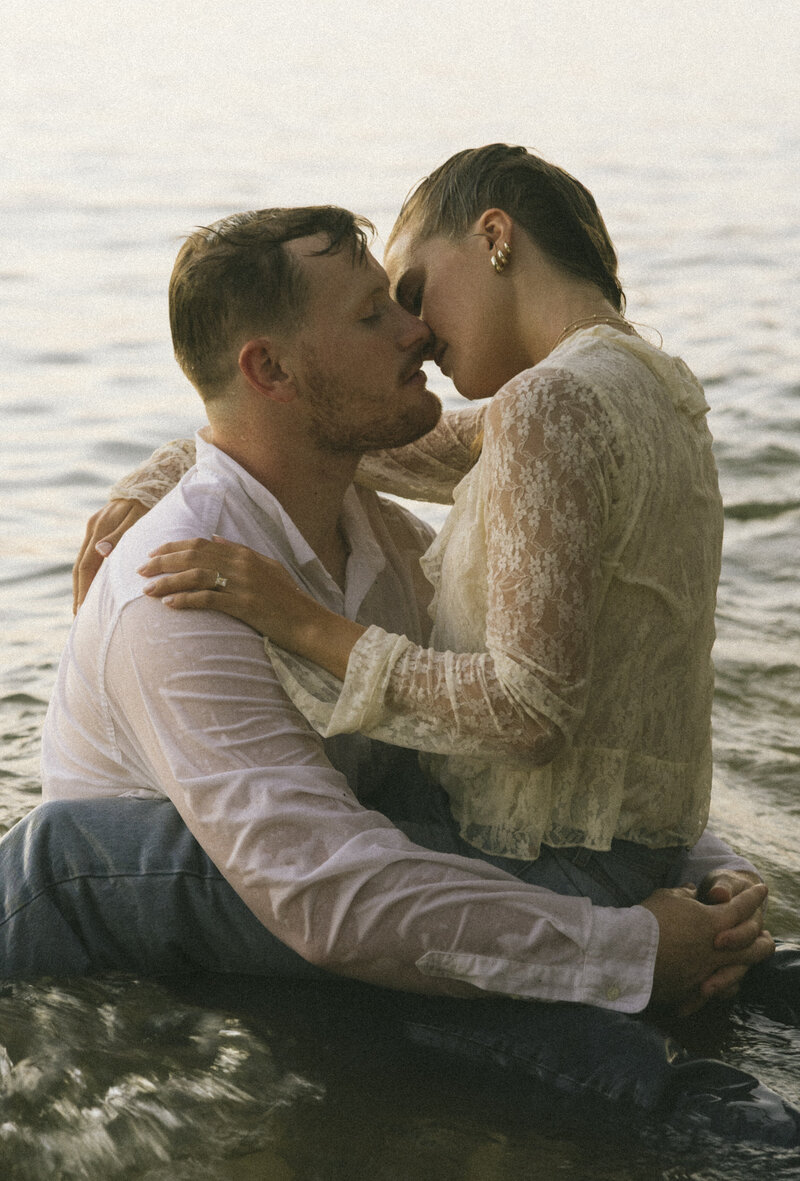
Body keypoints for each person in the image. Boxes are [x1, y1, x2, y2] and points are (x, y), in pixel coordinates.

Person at [8, 200, 798, 1145]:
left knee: (732, 978)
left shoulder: (378, 537)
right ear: (271, 370)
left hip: (343, 884)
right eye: (373, 314)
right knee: (605, 1053)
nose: (417, 331)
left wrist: (703, 869)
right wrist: (636, 948)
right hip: (212, 946)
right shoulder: (180, 591)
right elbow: (335, 893)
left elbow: (506, 735)